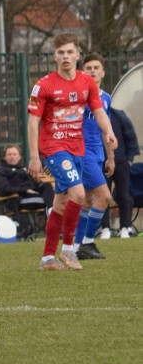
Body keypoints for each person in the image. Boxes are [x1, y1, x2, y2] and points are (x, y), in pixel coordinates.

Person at [26, 34, 117, 271]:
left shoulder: (86, 82)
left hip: (78, 148)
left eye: (69, 52)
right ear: (55, 56)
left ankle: (47, 258)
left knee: (60, 204)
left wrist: (108, 132)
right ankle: (69, 250)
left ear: (77, 54)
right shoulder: (44, 85)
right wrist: (35, 156)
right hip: (54, 148)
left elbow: (98, 112)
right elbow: (33, 122)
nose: (65, 57)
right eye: (61, 53)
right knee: (78, 193)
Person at [72, 53, 115, 259]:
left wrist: (111, 157)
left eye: (96, 67)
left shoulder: (106, 98)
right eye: (88, 68)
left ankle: (76, 246)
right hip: (83, 153)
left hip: (98, 154)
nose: (92, 71)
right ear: (83, 72)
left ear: (102, 72)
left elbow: (106, 131)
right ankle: (87, 242)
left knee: (87, 201)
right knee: (105, 197)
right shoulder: (78, 96)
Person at [0, 144, 54, 238]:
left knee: (47, 186)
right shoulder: (2, 171)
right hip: (18, 199)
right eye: (9, 154)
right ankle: (52, 218)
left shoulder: (24, 169)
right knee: (48, 200)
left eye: (14, 154)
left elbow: (34, 185)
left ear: (19, 157)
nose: (12, 156)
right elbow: (4, 189)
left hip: (34, 196)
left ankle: (52, 214)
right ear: (5, 157)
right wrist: (25, 190)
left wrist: (39, 183)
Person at [99, 107, 140, 238]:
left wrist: (130, 159)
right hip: (102, 163)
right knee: (103, 196)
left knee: (124, 195)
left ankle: (125, 227)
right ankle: (105, 228)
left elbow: (130, 136)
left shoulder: (118, 115)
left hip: (121, 162)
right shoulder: (92, 116)